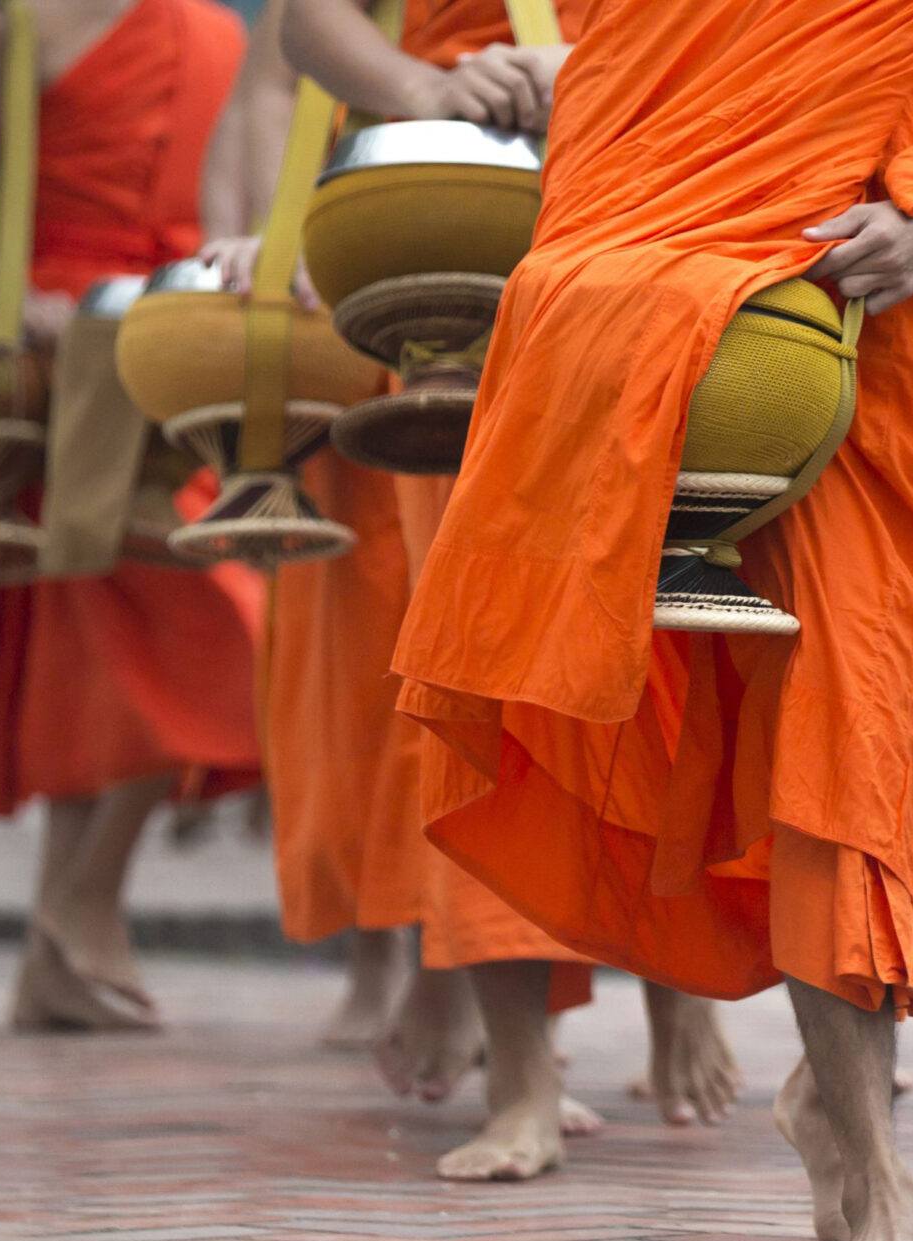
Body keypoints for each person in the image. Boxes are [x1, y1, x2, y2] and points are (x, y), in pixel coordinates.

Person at [390, 0, 913, 1241]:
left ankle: (827, 1095)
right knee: (840, 733)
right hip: (767, 306)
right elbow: (622, 56)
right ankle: (872, 1163)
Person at [207, 0, 741, 1181]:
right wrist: (421, 91)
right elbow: (303, 31)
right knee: (475, 661)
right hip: (437, 240)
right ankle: (521, 1075)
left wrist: (588, 70)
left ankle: (679, 980)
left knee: (648, 650)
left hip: (634, 226)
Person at [0, 0, 263, 1032]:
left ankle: (68, 922)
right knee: (95, 662)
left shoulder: (218, 34)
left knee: (215, 635)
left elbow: (233, 191)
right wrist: (9, 292)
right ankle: (65, 931)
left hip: (177, 340)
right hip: (65, 351)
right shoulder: (13, 31)